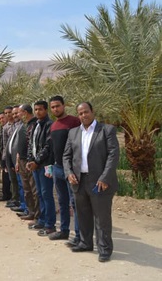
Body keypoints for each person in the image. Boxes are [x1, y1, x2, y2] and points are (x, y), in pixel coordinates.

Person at [63, 102, 119, 263]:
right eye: (80, 113)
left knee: (102, 218)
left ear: (92, 111)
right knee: (83, 215)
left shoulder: (106, 130)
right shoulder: (73, 133)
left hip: (100, 182)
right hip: (79, 182)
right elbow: (66, 156)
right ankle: (85, 243)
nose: (83, 116)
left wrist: (105, 178)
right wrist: (69, 173)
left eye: (86, 112)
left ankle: (105, 249)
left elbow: (113, 155)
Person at [48, 96, 81, 243]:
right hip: (57, 168)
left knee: (75, 203)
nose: (55, 109)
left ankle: (80, 235)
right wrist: (50, 166)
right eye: (53, 107)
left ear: (64, 106)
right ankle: (64, 231)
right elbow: (53, 148)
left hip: (71, 169)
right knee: (62, 202)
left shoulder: (74, 122)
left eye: (57, 106)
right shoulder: (54, 125)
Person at [26, 100, 56, 237]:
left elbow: (48, 147)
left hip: (45, 166)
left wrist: (37, 161)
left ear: (46, 110)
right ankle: (42, 220)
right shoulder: (35, 125)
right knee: (39, 194)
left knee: (46, 194)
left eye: (40, 109)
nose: (38, 112)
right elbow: (31, 144)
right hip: (36, 166)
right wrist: (30, 160)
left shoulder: (50, 125)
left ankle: (50, 225)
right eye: (36, 109)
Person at [12, 104, 39, 222]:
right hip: (22, 161)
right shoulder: (24, 125)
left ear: (25, 112)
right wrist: (18, 160)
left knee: (34, 190)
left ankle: (38, 216)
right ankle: (30, 211)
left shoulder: (34, 125)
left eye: (19, 112)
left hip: (31, 162)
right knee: (26, 188)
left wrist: (32, 160)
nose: (17, 115)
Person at [0, 106, 16, 202]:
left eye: (10, 112)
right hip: (8, 156)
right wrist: (4, 159)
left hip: (18, 156)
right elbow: (5, 145)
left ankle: (17, 199)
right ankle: (9, 196)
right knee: (9, 178)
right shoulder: (5, 127)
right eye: (6, 113)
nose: (8, 114)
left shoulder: (18, 125)